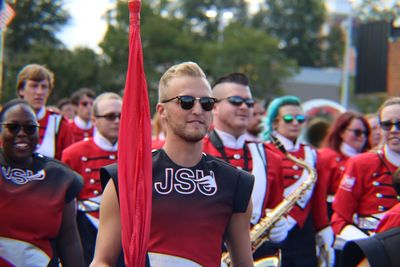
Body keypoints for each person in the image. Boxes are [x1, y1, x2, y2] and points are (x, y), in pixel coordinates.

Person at [91, 62, 255, 267]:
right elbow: (102, 261)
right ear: (162, 111)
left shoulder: (234, 182)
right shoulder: (128, 177)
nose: (197, 110)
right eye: (186, 101)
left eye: (206, 102)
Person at [202, 73, 287, 261]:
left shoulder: (271, 157)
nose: (244, 107)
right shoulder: (196, 150)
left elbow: (273, 207)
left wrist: (280, 226)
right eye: (235, 101)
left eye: (249, 103)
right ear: (214, 106)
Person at [0, 99, 84, 267]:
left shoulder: (59, 177)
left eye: (30, 128)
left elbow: (69, 241)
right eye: (13, 127)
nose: (22, 133)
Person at [262, 95, 334, 267]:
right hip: (274, 229)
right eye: (288, 119)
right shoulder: (263, 151)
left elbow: (318, 197)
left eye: (300, 119)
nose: (295, 123)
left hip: (303, 231)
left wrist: (323, 228)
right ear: (275, 122)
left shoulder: (312, 154)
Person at [331, 97, 400, 249]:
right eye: (387, 125)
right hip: (372, 247)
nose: (394, 130)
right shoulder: (361, 163)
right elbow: (340, 218)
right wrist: (367, 245)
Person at [62, 92, 122, 266]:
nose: (117, 121)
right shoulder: (73, 154)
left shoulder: (138, 153)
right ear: (94, 120)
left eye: (121, 116)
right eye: (110, 116)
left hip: (123, 229)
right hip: (85, 228)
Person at [16, 64, 74, 160]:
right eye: (34, 86)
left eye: (44, 87)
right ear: (21, 90)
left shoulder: (60, 124)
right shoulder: (7, 121)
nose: (39, 92)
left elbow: (67, 168)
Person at [319, 111, 371, 217]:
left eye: (365, 133)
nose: (362, 137)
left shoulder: (369, 159)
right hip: (331, 213)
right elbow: (319, 195)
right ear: (342, 132)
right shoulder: (326, 157)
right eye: (357, 132)